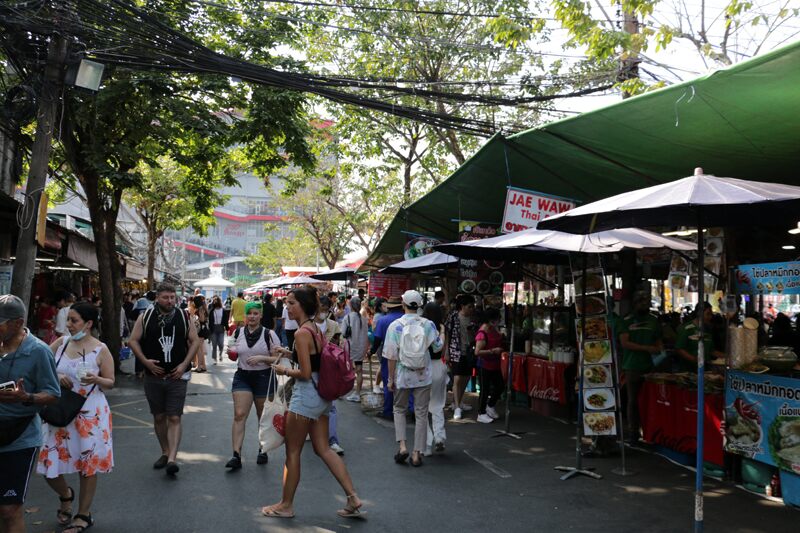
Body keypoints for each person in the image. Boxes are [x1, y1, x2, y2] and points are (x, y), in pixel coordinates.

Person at [265, 286, 364, 519]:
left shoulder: (301, 333)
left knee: (293, 452)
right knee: (324, 449)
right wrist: (289, 354)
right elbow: (314, 360)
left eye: (291, 303)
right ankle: (353, 497)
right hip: (322, 396)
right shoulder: (314, 329)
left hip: (306, 396)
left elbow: (306, 372)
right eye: (287, 303)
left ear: (303, 305)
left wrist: (284, 370)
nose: (287, 307)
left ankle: (286, 505)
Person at [39, 302, 115, 532]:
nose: (69, 325)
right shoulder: (61, 344)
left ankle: (83, 514)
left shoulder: (100, 349)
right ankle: (65, 495)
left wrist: (96, 379)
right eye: (68, 320)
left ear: (88, 323)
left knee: (87, 466)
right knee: (48, 464)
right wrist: (57, 374)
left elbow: (111, 382)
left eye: (74, 320)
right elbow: (41, 365)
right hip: (60, 411)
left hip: (91, 414)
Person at [0, 295, 61, 533]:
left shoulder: (38, 351)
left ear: (18, 323)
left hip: (20, 437)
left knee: (9, 509)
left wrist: (26, 398)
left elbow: (53, 394)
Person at [128, 282, 202, 477]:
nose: (170, 301)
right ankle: (165, 451)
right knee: (159, 416)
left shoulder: (184, 316)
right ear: (157, 298)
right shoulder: (146, 317)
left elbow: (194, 341)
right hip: (153, 376)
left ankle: (172, 459)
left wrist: (185, 364)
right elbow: (133, 340)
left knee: (175, 416)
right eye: (166, 297)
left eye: (172, 297)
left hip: (177, 375)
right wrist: (145, 362)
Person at [383, 290, 443, 467]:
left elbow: (391, 355)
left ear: (403, 304)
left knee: (399, 409)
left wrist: (390, 379)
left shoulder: (395, 326)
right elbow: (438, 347)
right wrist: (443, 334)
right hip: (423, 374)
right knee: (421, 413)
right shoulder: (428, 324)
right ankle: (417, 453)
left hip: (403, 374)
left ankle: (402, 446)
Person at [225, 302, 280, 469]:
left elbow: (278, 358)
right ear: (245, 315)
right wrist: (231, 353)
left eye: (256, 314)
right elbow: (233, 353)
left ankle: (262, 449)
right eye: (250, 314)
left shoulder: (269, 334)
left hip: (264, 377)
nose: (252, 316)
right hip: (242, 376)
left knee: (262, 416)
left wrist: (262, 358)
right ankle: (236, 455)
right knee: (239, 414)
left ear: (261, 316)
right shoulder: (238, 332)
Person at [313, 297, 345, 455]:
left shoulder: (333, 325)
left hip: (329, 371)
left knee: (330, 406)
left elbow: (337, 347)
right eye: (321, 308)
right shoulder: (308, 325)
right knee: (312, 403)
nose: (323, 311)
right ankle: (312, 433)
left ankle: (332, 440)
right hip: (310, 370)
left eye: (326, 308)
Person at [371, 296, 405, 419]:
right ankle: (411, 410)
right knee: (407, 383)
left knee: (388, 383)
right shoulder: (405, 319)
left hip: (388, 355)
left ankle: (388, 411)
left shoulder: (383, 320)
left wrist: (371, 352)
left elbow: (377, 340)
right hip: (406, 356)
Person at [444, 294, 476, 420]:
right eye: (469, 306)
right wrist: (446, 351)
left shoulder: (473, 319)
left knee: (466, 378)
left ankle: (459, 401)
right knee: (457, 379)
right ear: (462, 306)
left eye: (472, 306)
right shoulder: (453, 316)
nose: (472, 308)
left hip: (469, 352)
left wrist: (471, 332)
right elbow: (447, 333)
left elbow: (476, 335)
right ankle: (457, 407)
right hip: (455, 351)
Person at [422, 302, 447, 455]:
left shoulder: (422, 326)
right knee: (438, 404)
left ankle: (427, 444)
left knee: (422, 407)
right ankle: (439, 436)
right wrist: (443, 333)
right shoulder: (442, 328)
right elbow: (443, 350)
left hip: (424, 367)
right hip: (439, 366)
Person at [675, 301, 725, 373]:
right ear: (699, 313)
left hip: (705, 370)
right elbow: (679, 349)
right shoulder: (687, 329)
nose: (710, 317)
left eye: (711, 314)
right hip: (688, 371)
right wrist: (695, 359)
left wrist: (726, 357)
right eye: (708, 314)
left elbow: (711, 351)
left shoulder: (708, 330)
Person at [474, 307, 505, 424]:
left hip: (495, 365)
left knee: (500, 386)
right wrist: (493, 351)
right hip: (484, 365)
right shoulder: (482, 333)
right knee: (485, 390)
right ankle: (481, 413)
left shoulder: (493, 329)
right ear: (492, 319)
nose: (499, 320)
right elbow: (477, 352)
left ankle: (490, 406)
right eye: (498, 318)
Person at [342, 297, 369, 402]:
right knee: (359, 370)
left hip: (350, 347)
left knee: (346, 369)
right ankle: (357, 393)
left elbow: (344, 333)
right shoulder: (364, 319)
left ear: (351, 306)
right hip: (361, 347)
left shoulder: (347, 318)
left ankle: (343, 391)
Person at [190, 295, 209, 372]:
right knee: (200, 348)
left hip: (200, 330)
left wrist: (195, 315)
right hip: (203, 329)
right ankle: (203, 366)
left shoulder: (200, 308)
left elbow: (202, 319)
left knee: (199, 349)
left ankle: (199, 367)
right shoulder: (203, 307)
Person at [208, 296, 229, 365]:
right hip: (213, 328)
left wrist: (227, 328)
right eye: (214, 301)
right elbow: (210, 321)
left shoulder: (223, 310)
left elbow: (225, 320)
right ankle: (214, 358)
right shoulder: (211, 311)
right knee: (214, 345)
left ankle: (220, 354)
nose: (215, 302)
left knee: (221, 344)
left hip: (221, 328)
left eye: (216, 301)